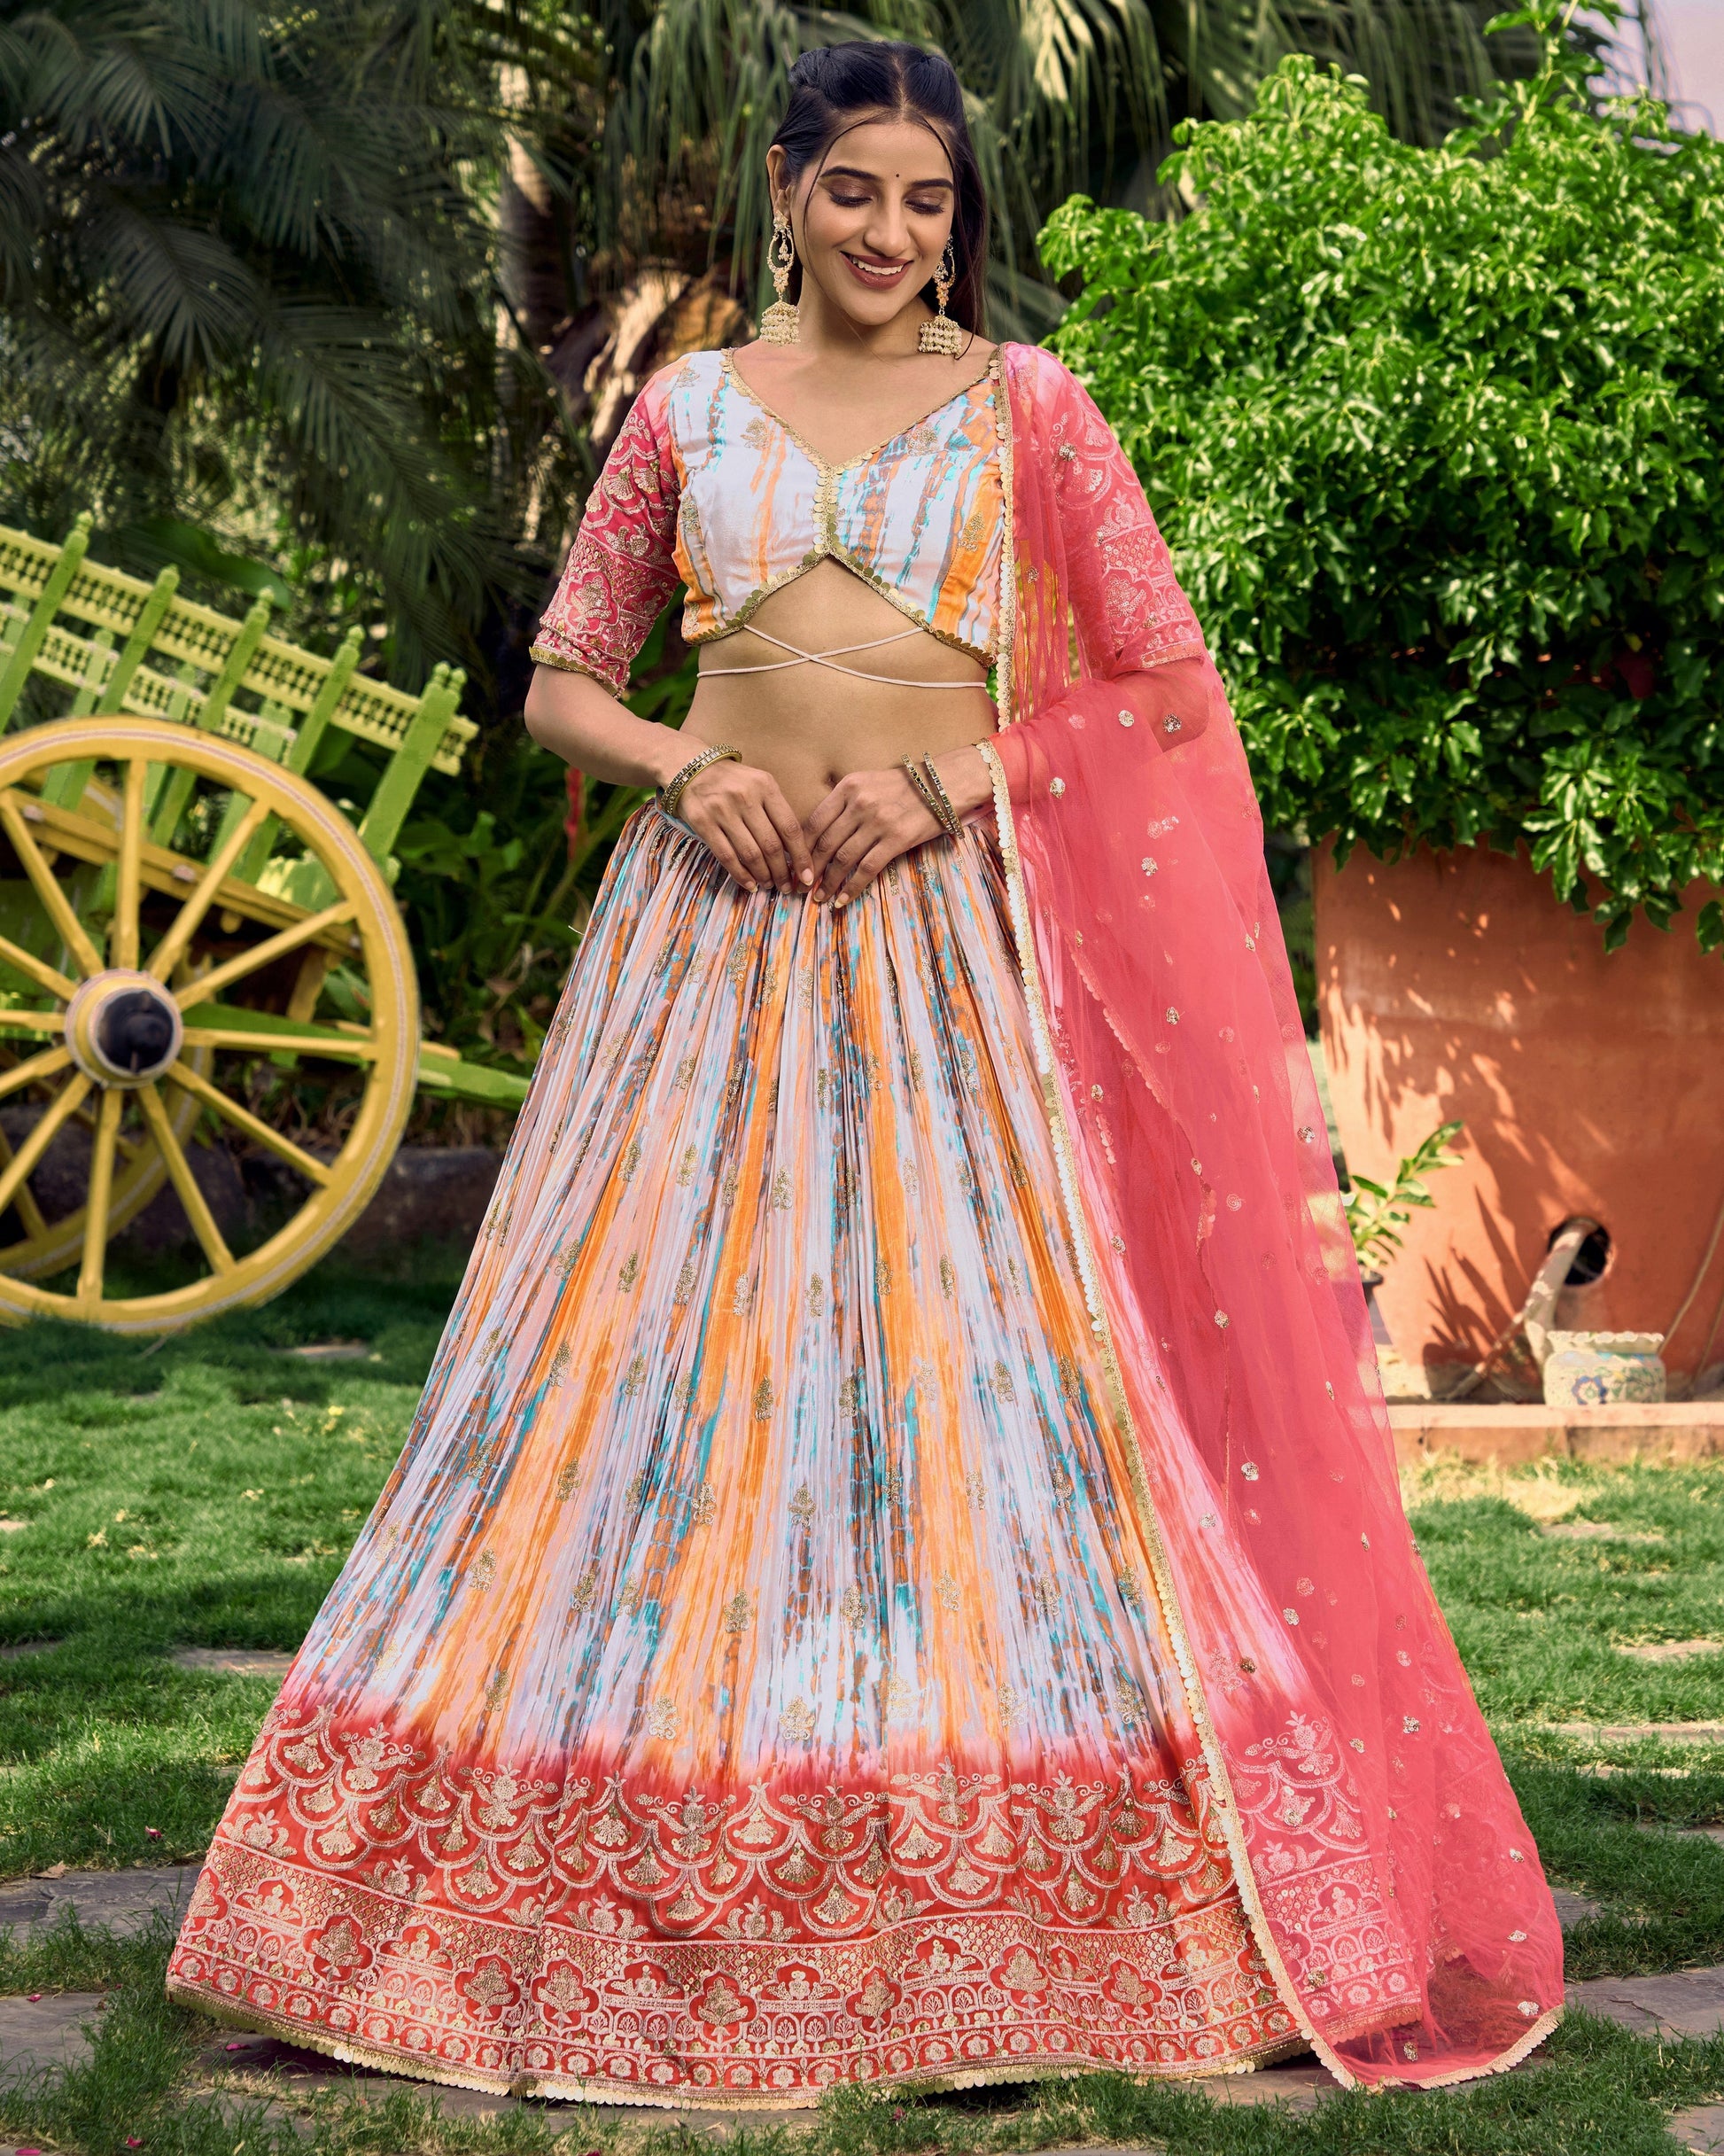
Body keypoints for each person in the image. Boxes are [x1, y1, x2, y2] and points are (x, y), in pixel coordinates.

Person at [167, 39, 1562, 2110]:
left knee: (975, 1377)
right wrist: (695, 768)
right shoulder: (686, 409)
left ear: (957, 219)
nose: (891, 235)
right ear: (785, 195)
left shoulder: (1029, 412)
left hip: (940, 956)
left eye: (927, 202)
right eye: (853, 195)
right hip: (701, 958)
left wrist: (945, 782)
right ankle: (431, 1905)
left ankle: (1036, 1925)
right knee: (622, 1377)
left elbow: (1164, 693)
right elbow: (565, 677)